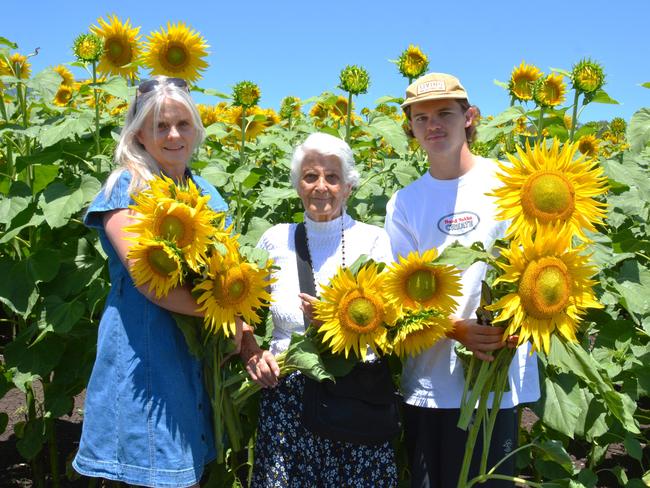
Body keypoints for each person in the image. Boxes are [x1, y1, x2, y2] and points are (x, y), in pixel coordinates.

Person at [384, 73, 541, 487]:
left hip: (498, 372)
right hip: (431, 377)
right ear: (411, 129)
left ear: (469, 117)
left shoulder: (510, 182)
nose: (433, 125)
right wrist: (456, 330)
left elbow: (539, 262)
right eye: (421, 118)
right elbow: (397, 295)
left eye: (444, 114)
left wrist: (518, 326)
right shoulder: (404, 202)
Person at [73, 76, 230, 488]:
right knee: (150, 462)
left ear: (196, 128)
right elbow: (150, 282)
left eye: (182, 123)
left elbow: (226, 269)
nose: (174, 135)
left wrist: (239, 324)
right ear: (139, 133)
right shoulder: (127, 188)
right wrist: (223, 309)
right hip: (144, 348)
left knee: (183, 465)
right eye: (160, 126)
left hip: (194, 348)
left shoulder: (206, 193)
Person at [238, 132, 398, 487]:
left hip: (354, 397)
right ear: (297, 185)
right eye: (310, 176)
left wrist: (335, 321)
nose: (321, 186)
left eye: (332, 177)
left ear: (349, 187)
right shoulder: (275, 239)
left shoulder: (373, 240)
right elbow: (243, 311)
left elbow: (390, 322)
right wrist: (251, 350)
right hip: (287, 400)